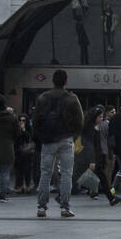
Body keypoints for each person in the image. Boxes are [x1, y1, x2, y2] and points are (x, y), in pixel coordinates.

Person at [33, 68, 85, 218]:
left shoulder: (43, 98)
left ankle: (42, 207)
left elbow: (36, 120)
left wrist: (40, 137)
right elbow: (80, 120)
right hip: (65, 138)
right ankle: (64, 207)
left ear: (53, 81)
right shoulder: (71, 98)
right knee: (66, 174)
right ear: (66, 81)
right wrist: (73, 136)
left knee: (46, 173)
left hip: (48, 140)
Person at [13, 114, 35, 193]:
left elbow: (29, 138)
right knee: (18, 170)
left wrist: (23, 130)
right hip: (18, 152)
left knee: (27, 170)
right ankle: (19, 185)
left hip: (27, 152)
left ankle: (27, 185)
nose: (22, 122)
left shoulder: (29, 129)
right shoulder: (16, 129)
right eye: (20, 120)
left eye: (24, 120)